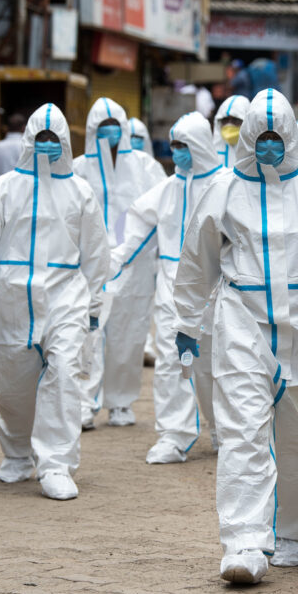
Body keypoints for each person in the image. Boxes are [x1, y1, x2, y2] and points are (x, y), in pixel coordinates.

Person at [173, 89, 298, 584]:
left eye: (275, 137)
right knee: (242, 432)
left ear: (289, 136)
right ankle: (243, 540)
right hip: (242, 320)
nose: (266, 146)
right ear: (245, 138)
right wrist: (185, 321)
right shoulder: (221, 189)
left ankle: (290, 533)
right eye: (258, 138)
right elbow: (196, 260)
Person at [0, 103, 110, 501]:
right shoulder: (4, 188)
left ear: (64, 142)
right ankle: (16, 454)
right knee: (13, 387)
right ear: (29, 141)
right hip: (8, 300)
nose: (47, 145)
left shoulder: (80, 191)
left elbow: (96, 253)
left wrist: (93, 306)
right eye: (40, 139)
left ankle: (57, 463)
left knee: (63, 374)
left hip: (64, 295)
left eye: (53, 139)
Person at [109, 112, 223, 464]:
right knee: (172, 360)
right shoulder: (168, 190)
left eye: (184, 146)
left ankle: (225, 429)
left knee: (217, 362)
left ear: (201, 145)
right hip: (171, 287)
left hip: (217, 286)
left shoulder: (227, 186)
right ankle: (173, 435)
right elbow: (137, 227)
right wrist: (111, 265)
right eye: (174, 146)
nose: (178, 153)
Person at [73, 98, 166, 429]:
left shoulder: (145, 167)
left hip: (134, 264)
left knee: (129, 335)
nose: (110, 133)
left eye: (116, 126)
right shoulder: (78, 167)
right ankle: (86, 402)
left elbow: (160, 213)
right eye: (102, 127)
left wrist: (131, 251)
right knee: (88, 333)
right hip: (92, 265)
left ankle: (121, 402)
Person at [212, 95, 250, 169]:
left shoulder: (256, 156)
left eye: (235, 120)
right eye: (225, 120)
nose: (229, 124)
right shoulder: (211, 155)